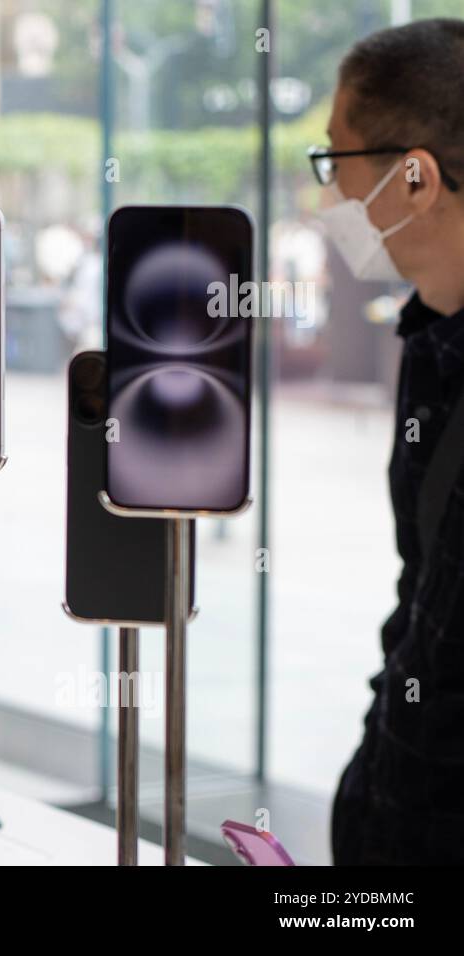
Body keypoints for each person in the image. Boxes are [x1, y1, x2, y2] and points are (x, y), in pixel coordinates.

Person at [323, 18, 464, 865]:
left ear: (414, 179)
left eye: (334, 166)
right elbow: (421, 609)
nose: (328, 199)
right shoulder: (427, 343)